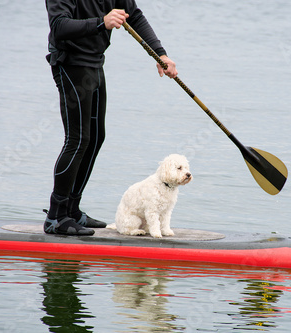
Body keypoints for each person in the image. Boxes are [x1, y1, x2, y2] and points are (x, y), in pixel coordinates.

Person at [44, 0, 178, 235]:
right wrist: (101, 23)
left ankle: (72, 211)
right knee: (77, 140)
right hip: (70, 63)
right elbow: (59, 26)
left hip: (95, 62)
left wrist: (161, 54)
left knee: (96, 138)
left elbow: (134, 15)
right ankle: (56, 217)